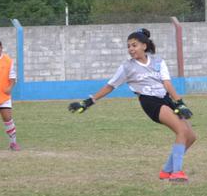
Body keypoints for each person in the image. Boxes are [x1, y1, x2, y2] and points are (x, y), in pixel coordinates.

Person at [67, 28, 195, 182]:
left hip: (166, 99)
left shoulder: (158, 62)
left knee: (191, 136)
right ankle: (177, 173)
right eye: (128, 46)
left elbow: (167, 84)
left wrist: (179, 103)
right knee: (181, 131)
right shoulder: (127, 67)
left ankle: (166, 171)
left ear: (144, 46)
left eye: (134, 45)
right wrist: (89, 101)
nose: (130, 49)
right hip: (150, 102)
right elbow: (110, 86)